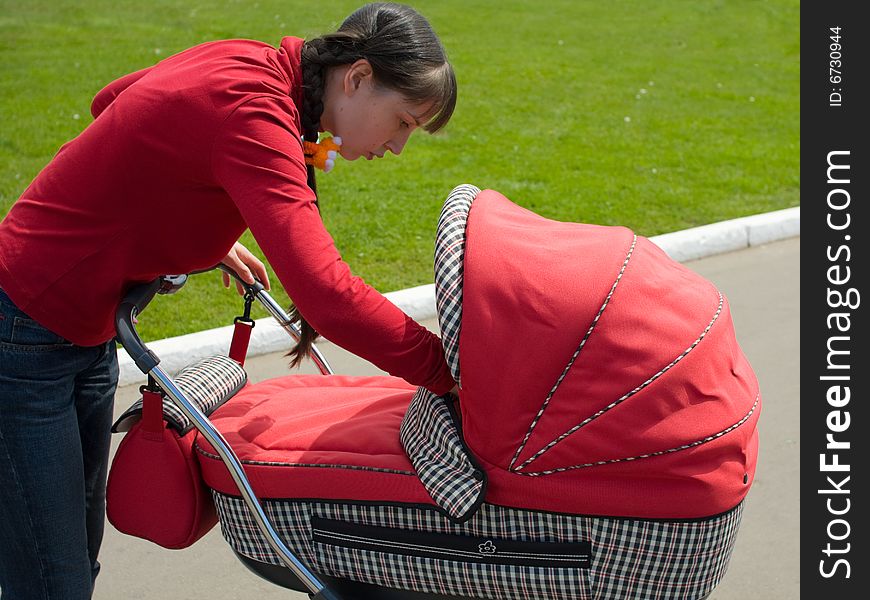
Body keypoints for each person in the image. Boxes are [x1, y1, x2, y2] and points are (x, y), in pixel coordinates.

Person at [0, 3, 458, 598]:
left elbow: (114, 102)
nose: (397, 146)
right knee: (51, 579)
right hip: (27, 332)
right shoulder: (257, 113)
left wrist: (206, 236)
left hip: (75, 329)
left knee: (66, 563)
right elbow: (326, 295)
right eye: (402, 122)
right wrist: (450, 371)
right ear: (358, 77)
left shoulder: (254, 62)